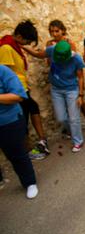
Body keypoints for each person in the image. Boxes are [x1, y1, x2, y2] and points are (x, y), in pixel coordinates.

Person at [24, 40, 85, 152]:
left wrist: (80, 95)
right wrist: (23, 47)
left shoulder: (76, 59)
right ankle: (71, 131)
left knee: (74, 118)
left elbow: (80, 77)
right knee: (61, 117)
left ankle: (78, 141)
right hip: (56, 89)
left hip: (71, 90)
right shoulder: (52, 50)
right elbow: (38, 54)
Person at [0, 20, 49, 160]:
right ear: (20, 36)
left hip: (22, 88)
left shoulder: (14, 45)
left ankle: (41, 141)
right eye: (26, 40)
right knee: (23, 119)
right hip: (15, 90)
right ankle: (27, 151)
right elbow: (5, 73)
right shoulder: (6, 48)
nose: (26, 43)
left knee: (32, 110)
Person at [45, 20, 85, 134]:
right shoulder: (49, 44)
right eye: (52, 31)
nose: (54, 34)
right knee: (63, 104)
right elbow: (48, 62)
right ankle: (69, 126)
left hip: (70, 77)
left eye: (57, 31)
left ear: (62, 30)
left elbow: (72, 60)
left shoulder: (69, 42)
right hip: (57, 76)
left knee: (80, 101)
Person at [0, 65, 39, 199]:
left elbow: (18, 96)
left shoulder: (3, 71)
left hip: (8, 121)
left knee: (17, 154)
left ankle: (30, 182)